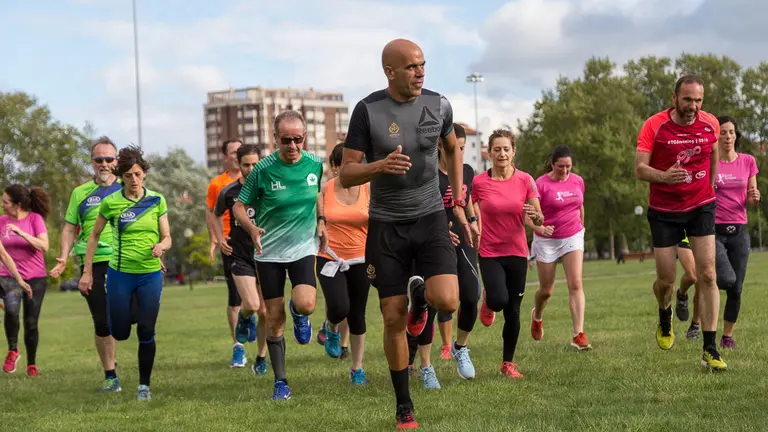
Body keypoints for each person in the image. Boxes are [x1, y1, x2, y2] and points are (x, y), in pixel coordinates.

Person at [339, 38, 468, 430]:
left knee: (447, 299)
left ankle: (421, 306)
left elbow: (453, 149)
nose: (420, 72)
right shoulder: (367, 111)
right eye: (411, 67)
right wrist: (380, 166)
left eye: (423, 65)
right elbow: (346, 173)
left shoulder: (439, 104)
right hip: (386, 225)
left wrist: (457, 199)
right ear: (389, 71)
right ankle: (404, 408)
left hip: (430, 217)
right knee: (391, 317)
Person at [634, 75, 726, 371]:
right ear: (674, 98)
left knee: (708, 275)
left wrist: (709, 186)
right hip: (663, 210)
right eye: (687, 100)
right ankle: (664, 314)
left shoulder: (709, 123)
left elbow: (713, 152)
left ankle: (710, 348)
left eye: (698, 100)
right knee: (666, 280)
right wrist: (664, 176)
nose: (693, 106)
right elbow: (639, 169)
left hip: (701, 206)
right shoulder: (655, 125)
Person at [234, 110, 326, 401]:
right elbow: (239, 206)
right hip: (269, 252)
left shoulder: (315, 164)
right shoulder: (262, 169)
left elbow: (318, 194)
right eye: (286, 140)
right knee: (273, 318)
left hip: (302, 248)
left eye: (298, 139)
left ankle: (299, 313)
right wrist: (251, 228)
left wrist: (321, 221)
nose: (292, 146)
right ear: (276, 139)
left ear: (305, 137)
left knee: (307, 304)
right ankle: (281, 381)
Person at [79, 145, 172, 401]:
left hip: (150, 274)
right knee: (119, 332)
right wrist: (87, 270)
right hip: (120, 274)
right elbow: (94, 235)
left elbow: (167, 237)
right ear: (121, 177)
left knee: (146, 330)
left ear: (145, 174)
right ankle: (129, 310)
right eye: (129, 175)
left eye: (138, 174)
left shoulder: (156, 200)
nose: (134, 180)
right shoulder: (111, 203)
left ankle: (144, 386)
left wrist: (160, 247)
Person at [406, 123, 481, 386]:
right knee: (433, 303)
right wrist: (437, 230)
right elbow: (416, 210)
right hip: (433, 244)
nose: (458, 153)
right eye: (453, 148)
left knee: (472, 295)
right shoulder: (426, 174)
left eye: (462, 148)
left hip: (463, 241)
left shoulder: (468, 171)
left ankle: (460, 347)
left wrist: (473, 220)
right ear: (440, 145)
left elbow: (467, 198)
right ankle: (426, 366)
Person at [677, 116, 759, 349]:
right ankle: (698, 312)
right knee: (725, 279)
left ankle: (727, 337)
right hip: (714, 231)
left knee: (737, 288)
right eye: (722, 132)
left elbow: (752, 193)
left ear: (736, 135)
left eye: (731, 132)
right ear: (716, 137)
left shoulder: (748, 161)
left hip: (740, 231)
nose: (728, 137)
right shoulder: (711, 162)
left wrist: (754, 196)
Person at [50, 136, 123, 392]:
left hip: (125, 261)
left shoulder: (129, 186)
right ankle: (110, 374)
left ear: (117, 161)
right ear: (92, 163)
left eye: (109, 159)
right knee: (102, 322)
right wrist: (63, 255)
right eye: (98, 159)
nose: (104, 164)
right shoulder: (80, 193)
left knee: (127, 318)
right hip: (92, 263)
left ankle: (113, 352)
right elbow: (69, 229)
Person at [473, 129, 543, 379]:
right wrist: (472, 224)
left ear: (514, 152)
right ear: (489, 153)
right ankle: (488, 300)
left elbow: (538, 214)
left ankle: (507, 364)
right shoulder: (479, 182)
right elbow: (468, 206)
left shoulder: (525, 180)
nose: (501, 153)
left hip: (517, 252)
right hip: (490, 251)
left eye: (506, 149)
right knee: (500, 300)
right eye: (497, 149)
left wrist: (537, 217)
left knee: (513, 310)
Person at [316, 143, 371, 385]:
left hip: (361, 259)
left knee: (358, 315)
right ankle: (330, 326)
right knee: (339, 307)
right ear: (335, 167)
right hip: (330, 258)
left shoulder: (369, 189)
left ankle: (357, 369)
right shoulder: (323, 191)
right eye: (345, 165)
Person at [213, 144, 269, 376]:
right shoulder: (228, 192)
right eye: (246, 164)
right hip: (240, 255)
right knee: (252, 305)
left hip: (266, 254)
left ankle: (261, 357)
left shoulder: (268, 189)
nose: (250, 168)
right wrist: (219, 239)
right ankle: (245, 318)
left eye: (255, 164)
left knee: (265, 311)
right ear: (238, 164)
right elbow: (215, 215)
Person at [528, 145, 591, 350]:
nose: (565, 171)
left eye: (568, 167)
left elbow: (579, 205)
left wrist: (581, 226)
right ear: (552, 164)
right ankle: (537, 315)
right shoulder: (541, 184)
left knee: (576, 283)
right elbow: (529, 215)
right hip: (546, 240)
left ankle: (578, 334)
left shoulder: (578, 181)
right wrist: (540, 227)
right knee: (546, 290)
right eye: (560, 166)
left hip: (572, 235)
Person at [0, 184, 51, 377]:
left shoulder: (34, 219)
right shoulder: (0, 222)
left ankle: (32, 363)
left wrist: (21, 233)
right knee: (11, 312)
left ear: (17, 204)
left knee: (31, 322)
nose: (2, 205)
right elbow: (2, 254)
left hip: (36, 277)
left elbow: (44, 246)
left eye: (5, 202)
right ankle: (13, 350)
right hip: (8, 276)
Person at [206, 139, 247, 367]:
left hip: (255, 242)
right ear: (225, 156)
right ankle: (238, 347)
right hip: (231, 244)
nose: (235, 156)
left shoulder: (256, 178)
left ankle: (265, 346)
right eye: (232, 152)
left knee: (262, 299)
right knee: (235, 298)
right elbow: (212, 212)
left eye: (239, 152)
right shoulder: (218, 184)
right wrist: (216, 238)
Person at [673, 236, 700, 339]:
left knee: (701, 284)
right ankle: (682, 295)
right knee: (692, 276)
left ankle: (695, 325)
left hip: (702, 234)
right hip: (684, 236)